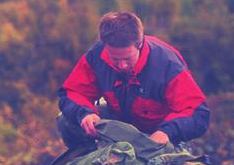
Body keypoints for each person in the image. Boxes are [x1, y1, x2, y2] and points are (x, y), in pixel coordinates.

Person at [57, 11, 210, 151]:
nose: (122, 65)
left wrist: (166, 132)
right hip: (119, 125)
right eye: (115, 59)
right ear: (105, 46)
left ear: (140, 44)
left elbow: (198, 113)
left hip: (159, 134)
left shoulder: (168, 65)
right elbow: (72, 92)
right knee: (66, 121)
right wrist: (86, 114)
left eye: (128, 59)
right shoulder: (96, 56)